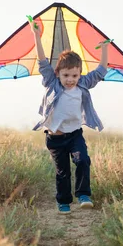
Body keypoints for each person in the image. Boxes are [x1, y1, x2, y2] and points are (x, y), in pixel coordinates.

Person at [29, 19, 109, 215]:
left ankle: (83, 195)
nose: (70, 80)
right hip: (55, 138)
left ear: (79, 74)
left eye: (74, 75)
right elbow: (42, 61)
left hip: (74, 135)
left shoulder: (83, 83)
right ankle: (63, 201)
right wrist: (36, 36)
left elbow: (101, 71)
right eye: (66, 75)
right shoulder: (52, 82)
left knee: (82, 160)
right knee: (62, 171)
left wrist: (105, 49)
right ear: (58, 74)